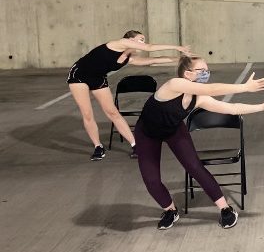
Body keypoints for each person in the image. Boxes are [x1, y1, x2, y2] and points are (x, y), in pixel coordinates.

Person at [135, 55, 264, 230]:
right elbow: (213, 89)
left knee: (195, 167)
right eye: (202, 71)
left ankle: (225, 209)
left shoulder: (199, 97)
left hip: (174, 130)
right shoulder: (174, 84)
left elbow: (232, 108)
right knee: (151, 180)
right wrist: (245, 87)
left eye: (208, 70)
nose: (206, 74)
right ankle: (170, 210)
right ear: (187, 74)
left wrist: (261, 107)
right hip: (147, 133)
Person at [67, 30, 191, 161]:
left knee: (112, 112)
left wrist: (178, 59)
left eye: (144, 40)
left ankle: (135, 144)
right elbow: (149, 48)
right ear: (130, 40)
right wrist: (178, 47)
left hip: (98, 78)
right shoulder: (120, 43)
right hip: (79, 76)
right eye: (140, 39)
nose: (143, 43)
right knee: (87, 113)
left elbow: (153, 60)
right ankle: (98, 147)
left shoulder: (129, 58)